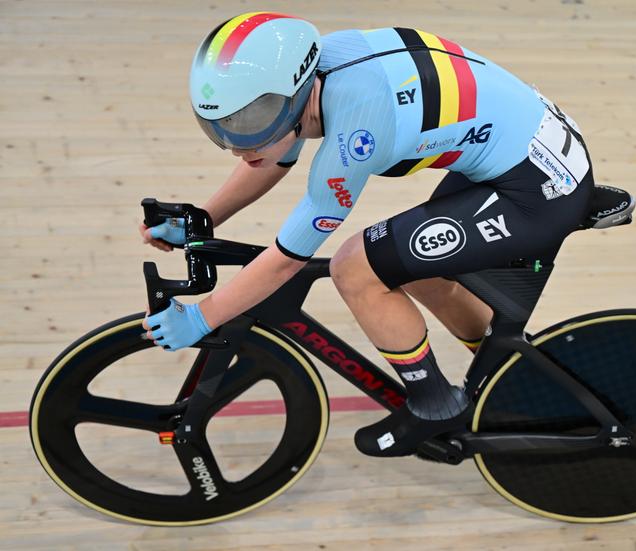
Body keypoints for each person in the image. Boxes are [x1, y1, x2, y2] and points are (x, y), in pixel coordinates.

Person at [141, 12, 595, 457]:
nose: (236, 143)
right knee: (410, 264)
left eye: (248, 122)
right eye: (221, 126)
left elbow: (286, 259)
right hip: (519, 155)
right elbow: (271, 157)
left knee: (355, 267)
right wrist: (204, 219)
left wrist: (203, 317)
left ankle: (435, 405)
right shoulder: (313, 73)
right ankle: (511, 378)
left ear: (295, 97)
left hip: (537, 189)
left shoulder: (355, 130)